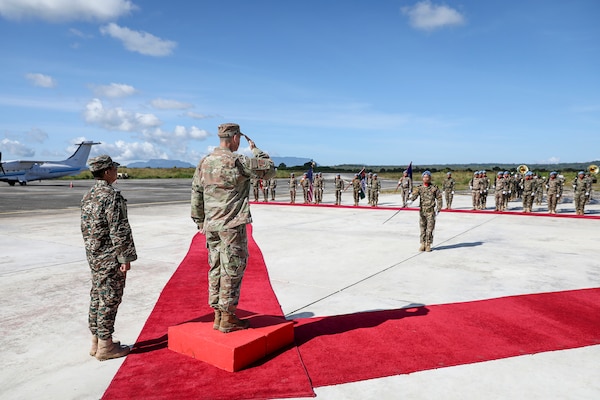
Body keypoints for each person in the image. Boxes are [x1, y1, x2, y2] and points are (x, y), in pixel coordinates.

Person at [191, 123, 275, 333]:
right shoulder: (238, 161)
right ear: (236, 138)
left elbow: (196, 192)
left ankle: (218, 314)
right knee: (232, 268)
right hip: (231, 225)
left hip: (211, 226)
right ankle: (227, 316)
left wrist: (200, 220)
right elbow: (269, 169)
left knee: (216, 267)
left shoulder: (204, 162)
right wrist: (256, 150)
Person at [81, 155, 136, 361]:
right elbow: (119, 229)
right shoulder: (111, 196)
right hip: (109, 256)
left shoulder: (88, 195)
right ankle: (106, 347)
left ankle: (96, 341)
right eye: (114, 168)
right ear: (106, 172)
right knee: (110, 298)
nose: (116, 171)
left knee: (97, 295)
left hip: (94, 255)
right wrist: (124, 257)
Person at [408, 171, 442, 252]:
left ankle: (428, 244)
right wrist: (411, 200)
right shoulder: (419, 188)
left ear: (430, 178)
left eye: (427, 177)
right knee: (422, 228)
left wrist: (438, 208)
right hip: (422, 211)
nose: (426, 178)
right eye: (424, 177)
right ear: (422, 178)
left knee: (430, 229)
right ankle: (422, 244)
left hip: (431, 211)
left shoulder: (434, 188)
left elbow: (439, 198)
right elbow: (415, 195)